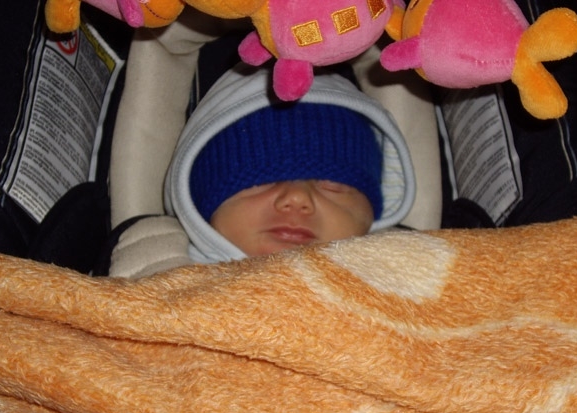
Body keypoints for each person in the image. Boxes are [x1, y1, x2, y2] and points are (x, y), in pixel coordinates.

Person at [164, 63, 416, 264]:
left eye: (332, 183)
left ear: (371, 212)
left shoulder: (404, 277)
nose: (297, 197)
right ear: (199, 204)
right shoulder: (166, 281)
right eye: (261, 179)